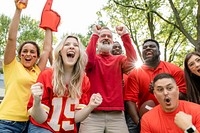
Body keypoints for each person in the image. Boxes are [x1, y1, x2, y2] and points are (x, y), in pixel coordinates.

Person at [27, 35, 103, 133]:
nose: (71, 46)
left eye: (76, 45)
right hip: (43, 128)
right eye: (67, 44)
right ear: (60, 52)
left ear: (80, 53)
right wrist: (37, 101)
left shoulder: (84, 80)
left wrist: (90, 106)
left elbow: (75, 118)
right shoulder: (46, 75)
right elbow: (40, 119)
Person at [0, 0, 53, 132]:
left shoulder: (37, 70)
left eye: (32, 52)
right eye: (24, 51)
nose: (28, 54)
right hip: (8, 122)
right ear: (20, 55)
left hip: (30, 123)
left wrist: (48, 25)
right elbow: (11, 39)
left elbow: (47, 49)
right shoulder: (11, 65)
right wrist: (18, 10)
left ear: (36, 57)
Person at [79, 25, 137, 133]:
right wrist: (95, 34)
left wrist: (125, 36)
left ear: (112, 40)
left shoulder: (119, 59)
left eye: (109, 36)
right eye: (103, 36)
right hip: (92, 114)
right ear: (97, 40)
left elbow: (132, 61)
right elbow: (87, 62)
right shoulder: (94, 59)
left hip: (116, 116)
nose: (106, 37)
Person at [124, 39, 187, 133]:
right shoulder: (134, 74)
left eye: (152, 46)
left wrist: (163, 90)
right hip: (147, 114)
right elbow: (130, 101)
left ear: (159, 51)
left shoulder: (175, 70)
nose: (148, 48)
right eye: (145, 48)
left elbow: (185, 96)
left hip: (173, 114)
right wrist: (139, 123)